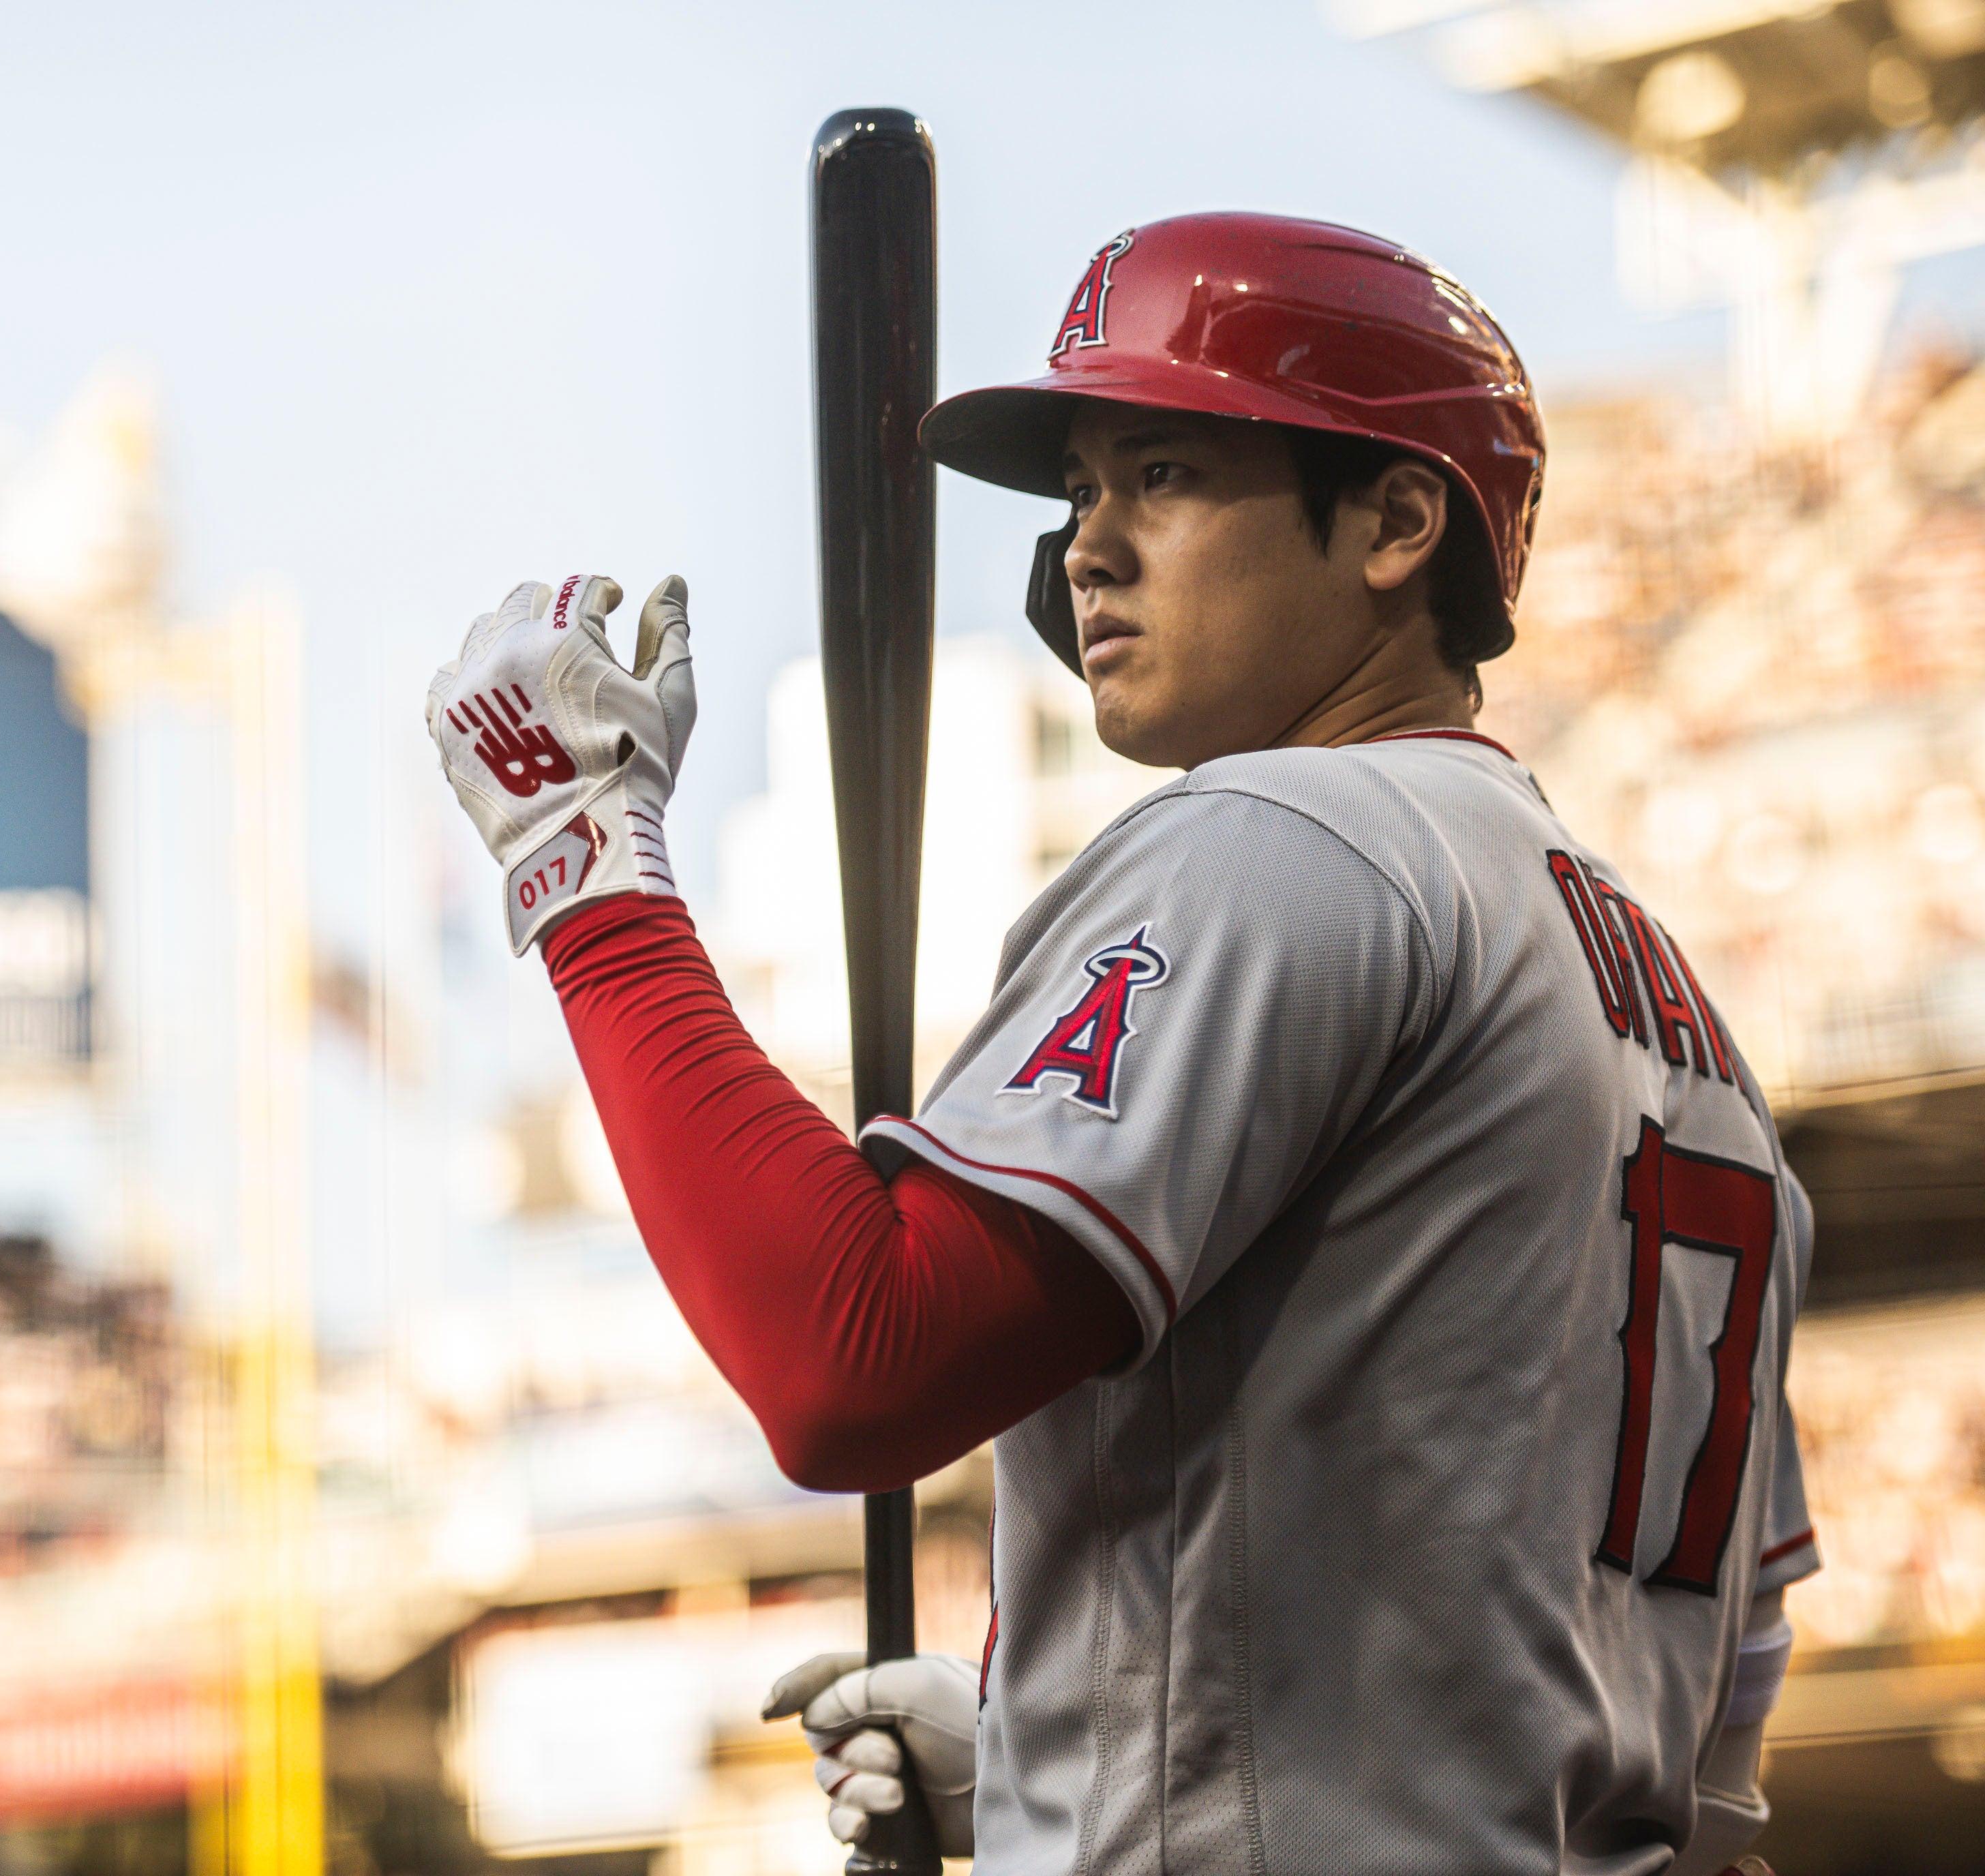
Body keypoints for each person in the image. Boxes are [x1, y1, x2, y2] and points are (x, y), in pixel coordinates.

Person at [424, 213, 1811, 1875]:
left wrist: (588, 872)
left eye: (1161, 472)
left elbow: (849, 1351)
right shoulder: (1684, 1025)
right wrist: (1059, 1761)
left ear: (1393, 520)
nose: (1088, 547)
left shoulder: (1290, 839)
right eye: (1083, 490)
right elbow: (1715, 1722)